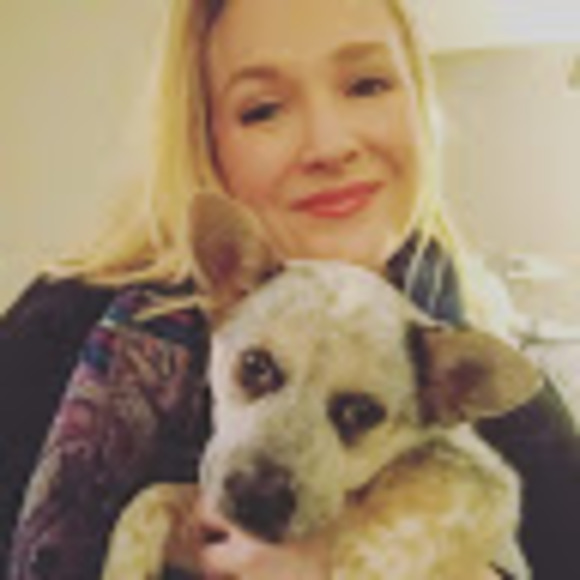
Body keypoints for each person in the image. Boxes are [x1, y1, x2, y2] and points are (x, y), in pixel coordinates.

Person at [1, 0, 579, 578]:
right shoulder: (55, 333)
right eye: (263, 109)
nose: (329, 145)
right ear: (204, 134)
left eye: (367, 85)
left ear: (418, 104)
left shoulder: (508, 406)